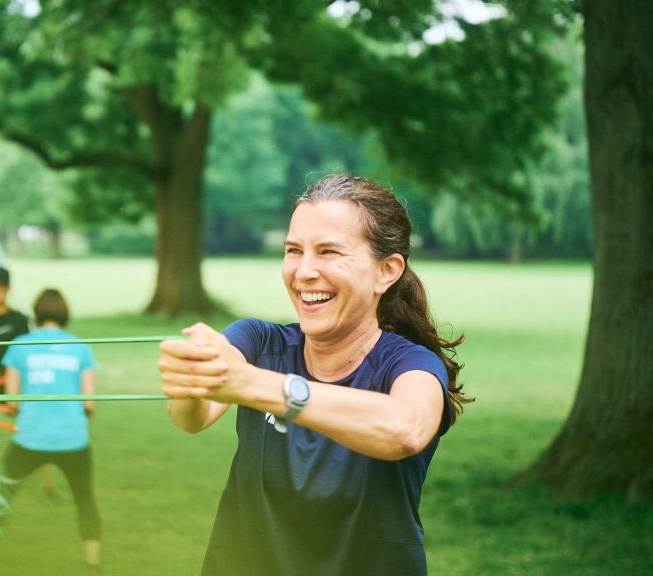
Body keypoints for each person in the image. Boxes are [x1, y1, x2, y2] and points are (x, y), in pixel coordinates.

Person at [157, 174, 470, 576]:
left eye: (328, 252)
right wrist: (190, 376)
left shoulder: (411, 365)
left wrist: (256, 385)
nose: (304, 271)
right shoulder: (257, 341)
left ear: (386, 271)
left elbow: (404, 429)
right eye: (293, 250)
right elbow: (191, 418)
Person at [0, 288, 102, 573]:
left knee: (1, 496)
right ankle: (93, 564)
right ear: (64, 313)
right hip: (73, 439)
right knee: (85, 499)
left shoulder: (20, 344)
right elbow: (90, 403)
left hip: (30, 438)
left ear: (37, 312)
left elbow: (11, 399)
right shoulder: (80, 346)